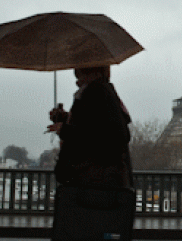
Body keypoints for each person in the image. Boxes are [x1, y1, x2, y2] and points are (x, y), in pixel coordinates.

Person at [47, 66, 134, 241]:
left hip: (91, 185)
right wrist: (65, 120)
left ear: (92, 73)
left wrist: (66, 130)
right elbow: (99, 129)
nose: (76, 80)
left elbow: (107, 137)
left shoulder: (96, 92)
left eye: (79, 74)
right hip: (99, 185)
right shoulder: (103, 93)